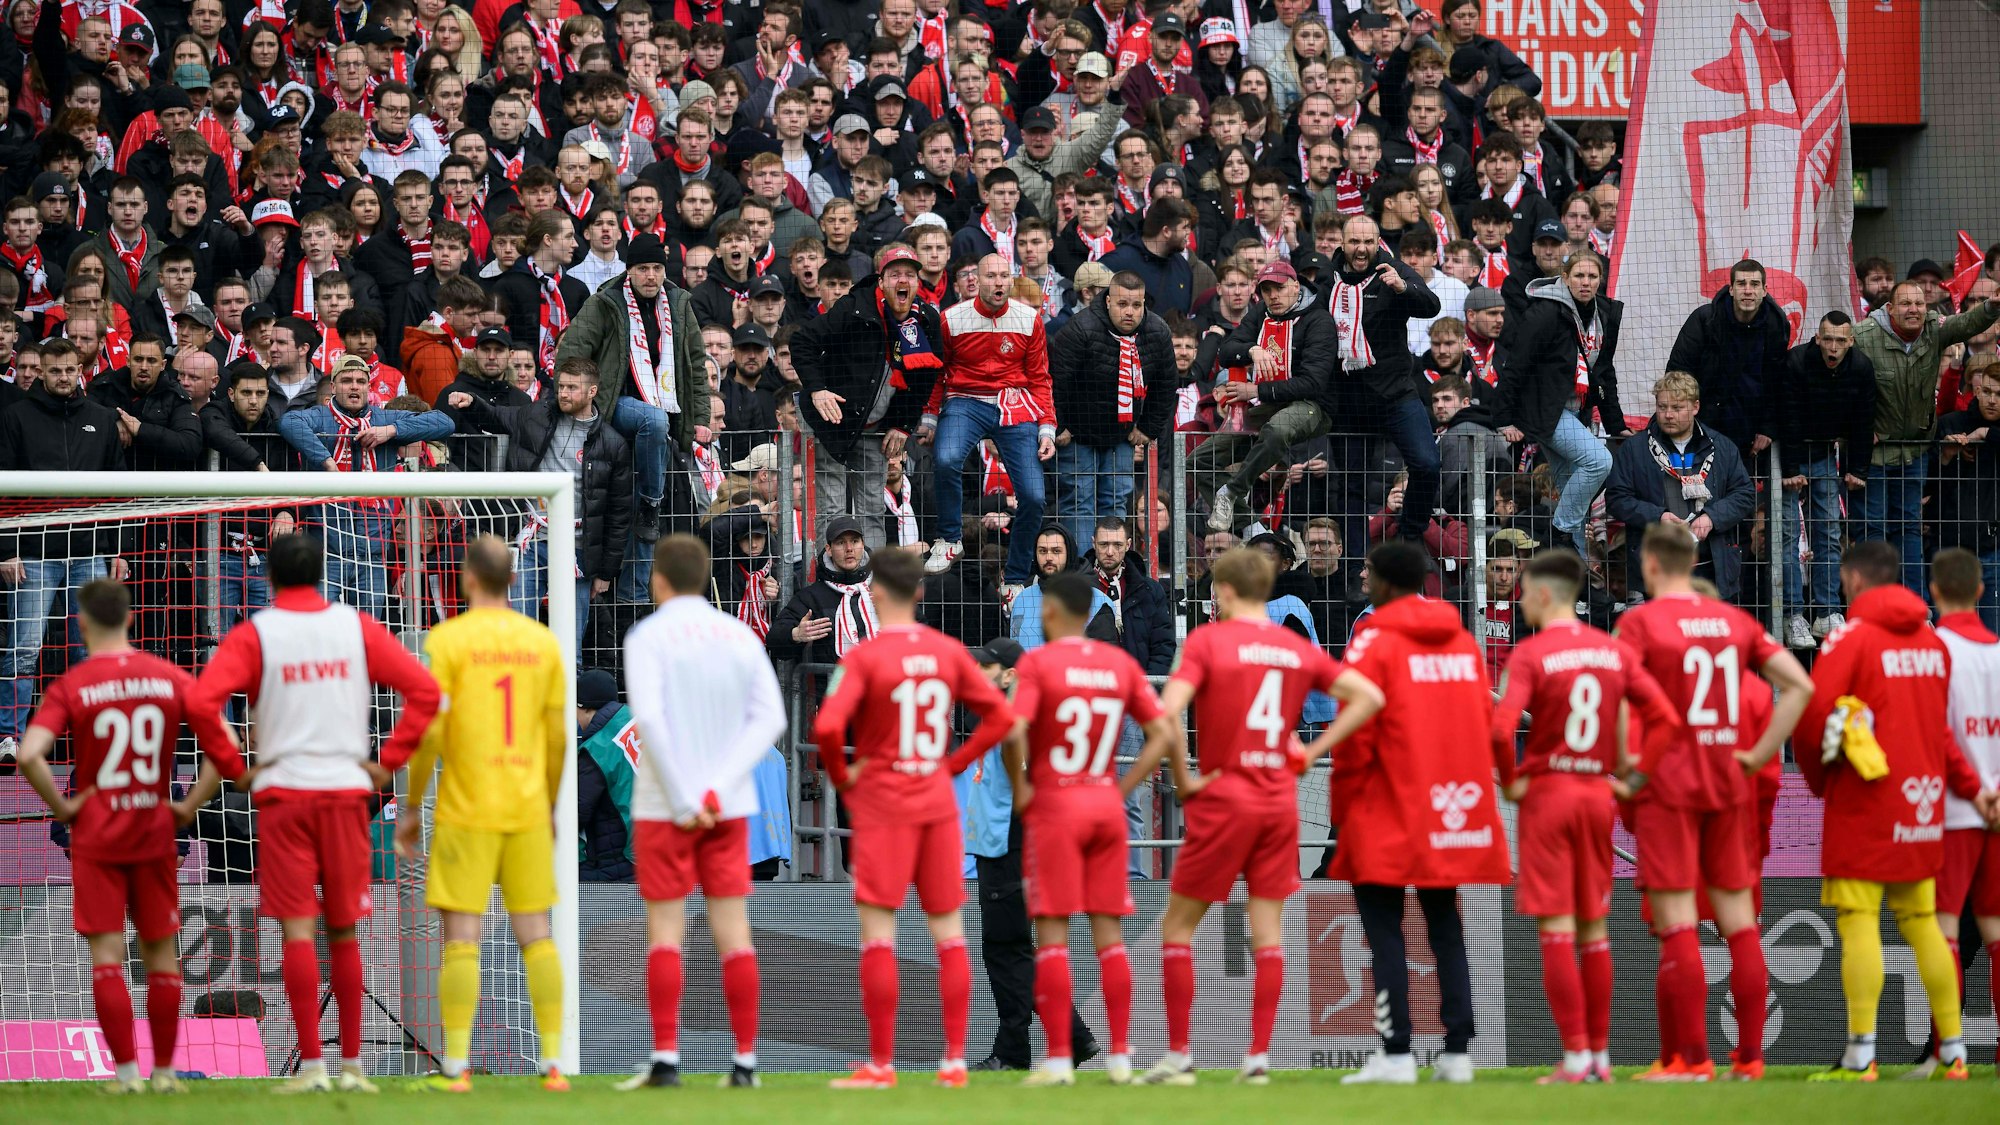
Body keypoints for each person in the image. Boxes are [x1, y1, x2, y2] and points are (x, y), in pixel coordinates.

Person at [185, 533, 440, 1094]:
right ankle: (352, 1068)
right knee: (343, 932)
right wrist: (387, 764)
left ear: (269, 577)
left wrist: (232, 766)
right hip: (345, 795)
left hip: (284, 797)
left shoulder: (257, 633)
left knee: (299, 930)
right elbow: (426, 691)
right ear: (323, 571)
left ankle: (312, 1069)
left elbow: (201, 702)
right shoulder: (355, 626)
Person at [1140, 547, 1384, 1086]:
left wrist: (1184, 777)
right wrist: (1310, 753)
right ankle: (1257, 1058)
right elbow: (1367, 695)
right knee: (1267, 933)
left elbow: (1166, 712)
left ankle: (1179, 1057)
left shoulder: (1208, 642)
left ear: (1225, 591)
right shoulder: (1291, 647)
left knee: (1177, 927)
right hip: (1277, 803)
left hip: (1225, 798)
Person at [808, 546, 1017, 1089]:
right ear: (920, 591)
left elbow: (827, 727)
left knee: (880, 932)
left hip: (884, 802)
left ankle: (882, 1064)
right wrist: (955, 763)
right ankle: (954, 1061)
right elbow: (1000, 714)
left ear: (874, 591)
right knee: (948, 932)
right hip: (936, 801)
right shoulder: (947, 652)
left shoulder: (863, 658)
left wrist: (844, 778)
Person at [1615, 523, 1813, 1082]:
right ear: (1695, 560)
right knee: (1740, 923)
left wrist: (1629, 770)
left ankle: (1692, 1059)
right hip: (1728, 786)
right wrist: (1758, 755)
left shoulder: (1641, 623)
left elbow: (1620, 699)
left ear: (1651, 564)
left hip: (1669, 788)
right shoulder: (1734, 622)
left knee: (1679, 922)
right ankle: (1749, 1059)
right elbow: (1800, 685)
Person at [1798, 541, 2000, 1081]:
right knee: (1925, 925)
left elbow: (1813, 716)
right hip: (1924, 805)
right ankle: (1952, 1052)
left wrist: (1819, 782)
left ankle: (1861, 1055)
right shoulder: (1932, 643)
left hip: (1864, 803)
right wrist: (1972, 786)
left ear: (1854, 580)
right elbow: (1942, 732)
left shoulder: (1850, 638)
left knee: (1859, 920)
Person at [1311, 540, 1509, 1085]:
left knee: (1384, 933)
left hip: (1386, 805)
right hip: (1447, 804)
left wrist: (1343, 811)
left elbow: (1353, 734)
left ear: (1383, 581)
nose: (1362, 578)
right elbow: (1481, 719)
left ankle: (1396, 1052)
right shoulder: (1461, 641)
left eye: (1367, 571)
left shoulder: (1372, 640)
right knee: (1446, 926)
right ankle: (1458, 1053)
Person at [1489, 549, 1681, 1084]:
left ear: (1543, 593)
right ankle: (1599, 1057)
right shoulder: (1611, 651)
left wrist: (1512, 781)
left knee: (1556, 928)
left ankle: (1575, 1056)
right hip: (1598, 795)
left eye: (1524, 591)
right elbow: (1664, 718)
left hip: (1549, 796)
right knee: (1594, 929)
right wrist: (1634, 779)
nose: (1520, 601)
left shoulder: (1531, 653)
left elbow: (1501, 728)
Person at [15, 579, 214, 1094]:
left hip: (98, 838)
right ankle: (164, 1073)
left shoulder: (74, 683)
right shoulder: (167, 676)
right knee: (161, 957)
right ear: (129, 618)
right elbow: (225, 746)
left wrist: (63, 807)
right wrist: (187, 806)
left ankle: (126, 1076)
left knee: (107, 958)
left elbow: (29, 753)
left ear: (81, 623)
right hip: (154, 834)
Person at [392, 538, 571, 1093]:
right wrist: (549, 801)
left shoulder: (446, 641)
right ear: (513, 580)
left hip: (465, 808)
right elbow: (557, 737)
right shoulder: (542, 642)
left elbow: (429, 733)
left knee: (461, 938)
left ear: (468, 578)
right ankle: (552, 1064)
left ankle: (455, 1067)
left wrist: (411, 806)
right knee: (536, 934)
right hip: (525, 805)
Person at [616, 534, 787, 1088]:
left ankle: (666, 1059)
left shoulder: (647, 635)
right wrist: (717, 786)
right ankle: (745, 1062)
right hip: (727, 805)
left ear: (659, 579)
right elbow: (771, 719)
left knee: (666, 929)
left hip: (665, 804)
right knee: (732, 930)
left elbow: (649, 718)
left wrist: (687, 795)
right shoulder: (736, 634)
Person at [1003, 572, 1178, 1087]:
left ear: (1051, 611)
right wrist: (1122, 789)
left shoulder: (1038, 663)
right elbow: (1163, 732)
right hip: (1103, 806)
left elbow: (1013, 731)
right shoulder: (1119, 664)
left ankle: (1060, 1060)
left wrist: (1022, 788)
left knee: (1052, 937)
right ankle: (1120, 1057)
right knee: (1110, 938)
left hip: (1055, 805)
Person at [555, 234, 710, 543]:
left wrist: (701, 418)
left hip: (667, 409)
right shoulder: (604, 302)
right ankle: (652, 503)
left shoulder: (679, 304)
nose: (650, 276)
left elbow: (696, 363)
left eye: (656, 268)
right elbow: (571, 355)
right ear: (629, 270)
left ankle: (642, 550)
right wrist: (582, 401)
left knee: (643, 530)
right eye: (642, 269)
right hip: (614, 403)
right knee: (653, 420)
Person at [791, 244, 944, 551]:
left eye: (910, 275)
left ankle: (870, 576)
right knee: (833, 508)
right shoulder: (854, 307)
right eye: (895, 274)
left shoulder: (926, 319)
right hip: (833, 422)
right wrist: (817, 389)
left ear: (918, 283)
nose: (903, 280)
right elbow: (802, 341)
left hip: (877, 428)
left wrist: (902, 425)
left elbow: (925, 378)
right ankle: (830, 572)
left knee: (872, 509)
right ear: (881, 281)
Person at [920, 254, 1056, 592]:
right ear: (976, 281)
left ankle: (1015, 579)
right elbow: (938, 373)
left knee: (1034, 496)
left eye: (1004, 276)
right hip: (965, 400)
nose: (998, 282)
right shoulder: (951, 319)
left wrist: (1047, 427)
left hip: (1014, 403)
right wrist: (930, 417)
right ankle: (950, 539)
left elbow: (1040, 378)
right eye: (991, 276)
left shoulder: (1029, 319)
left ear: (1011, 280)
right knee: (946, 458)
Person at [1853, 280, 2000, 593]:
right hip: (1875, 454)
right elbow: (1837, 381)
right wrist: (1857, 428)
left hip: (1915, 452)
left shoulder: (1934, 328)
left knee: (1909, 528)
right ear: (1890, 309)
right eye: (1906, 304)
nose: (1914, 310)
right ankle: (1873, 602)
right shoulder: (1863, 336)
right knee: (1873, 528)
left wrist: (1991, 307)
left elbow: (1966, 323)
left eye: (1919, 304)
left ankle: (1914, 606)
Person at [1494, 251, 1626, 559]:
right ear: (1565, 278)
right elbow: (1516, 366)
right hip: (1546, 412)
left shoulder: (1605, 314)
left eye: (1592, 276)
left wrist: (1616, 424)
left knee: (1571, 493)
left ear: (1601, 280)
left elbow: (1603, 372)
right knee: (1599, 462)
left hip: (1577, 410)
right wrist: (1504, 418)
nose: (1585, 282)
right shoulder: (1544, 312)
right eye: (1579, 275)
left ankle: (1574, 572)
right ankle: (1558, 533)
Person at [1928, 546, 2000, 1076]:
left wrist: (1973, 790)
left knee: (1945, 930)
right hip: (1997, 810)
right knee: (1997, 932)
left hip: (1952, 809)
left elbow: (1934, 733)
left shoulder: (1932, 652)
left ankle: (1949, 1053)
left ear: (1933, 590)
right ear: (1980, 590)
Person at [1200, 260, 1340, 533]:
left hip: (1313, 406)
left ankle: (1232, 490)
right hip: (1272, 403)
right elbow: (1226, 352)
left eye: (1280, 288)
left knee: (1277, 429)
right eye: (1267, 290)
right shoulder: (1261, 313)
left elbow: (1312, 383)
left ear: (1296, 286)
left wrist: (1255, 391)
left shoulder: (1318, 320)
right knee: (1199, 460)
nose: (1273, 296)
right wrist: (1252, 350)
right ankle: (1252, 530)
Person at [1603, 372, 1757, 604]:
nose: (1668, 414)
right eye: (1662, 407)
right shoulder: (1634, 449)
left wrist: (1711, 518)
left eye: (1677, 408)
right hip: (1658, 566)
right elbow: (1616, 499)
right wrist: (1658, 517)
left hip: (1712, 566)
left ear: (1695, 407)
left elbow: (1744, 494)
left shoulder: (1722, 447)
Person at [1772, 310, 1877, 644]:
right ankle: (1792, 615)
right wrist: (1790, 469)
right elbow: (1786, 416)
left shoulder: (1861, 367)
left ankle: (1827, 612)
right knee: (1788, 535)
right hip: (1789, 452)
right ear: (1817, 339)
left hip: (1823, 455)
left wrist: (1858, 469)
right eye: (1827, 339)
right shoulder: (1796, 362)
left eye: (1840, 340)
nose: (1833, 347)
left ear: (1851, 341)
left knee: (1829, 532)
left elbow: (1864, 420)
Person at [1049, 271, 1174, 548]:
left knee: (1116, 501)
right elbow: (1057, 380)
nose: (1129, 312)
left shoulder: (1157, 331)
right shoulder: (1080, 328)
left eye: (1136, 305)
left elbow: (1166, 385)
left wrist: (1148, 428)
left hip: (1122, 435)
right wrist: (1059, 426)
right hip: (1078, 434)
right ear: (1107, 301)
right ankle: (1083, 566)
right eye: (1122, 304)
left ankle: (1112, 565)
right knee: (1079, 502)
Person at [1664, 259, 1790, 459]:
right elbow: (1678, 373)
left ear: (1764, 290)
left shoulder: (1776, 326)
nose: (1748, 291)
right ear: (1731, 289)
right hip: (1701, 428)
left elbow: (1777, 382)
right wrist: (1687, 420)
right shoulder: (1705, 320)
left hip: (1748, 436)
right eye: (1741, 283)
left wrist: (1768, 427)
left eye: (1754, 284)